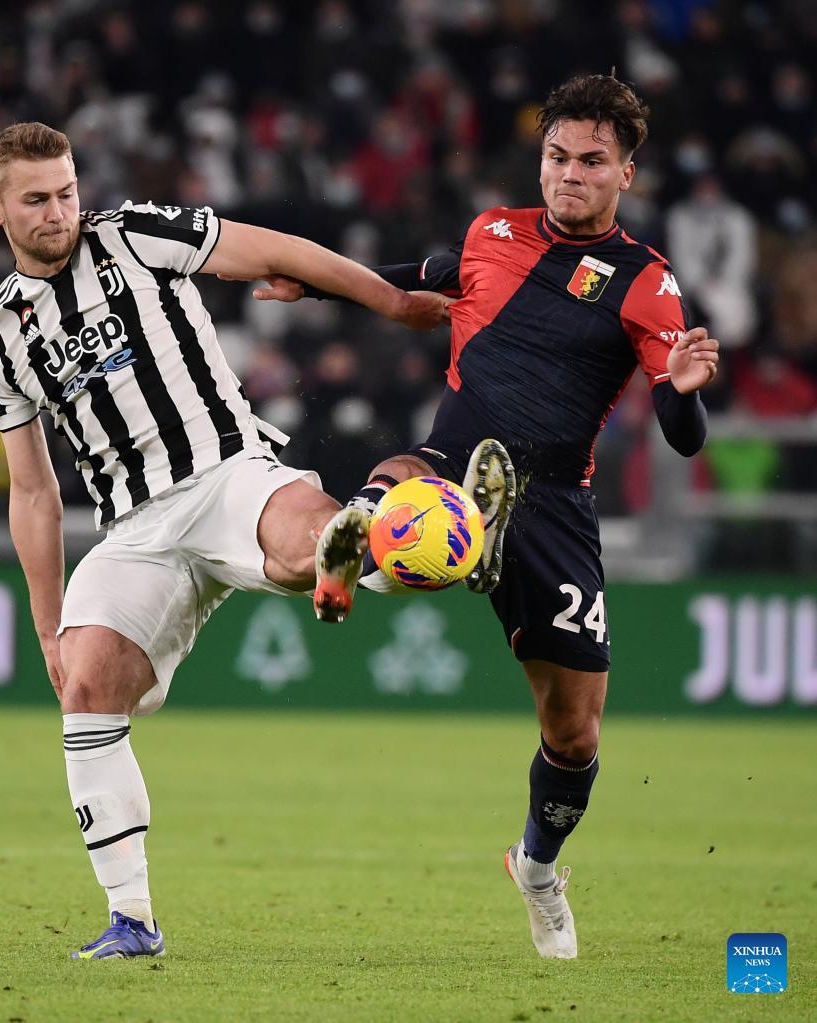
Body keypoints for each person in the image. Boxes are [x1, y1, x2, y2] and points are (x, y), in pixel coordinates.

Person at [246, 74, 720, 959]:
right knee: (408, 479)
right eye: (555, 156)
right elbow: (414, 281)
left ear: (626, 173)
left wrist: (686, 396)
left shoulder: (646, 285)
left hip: (552, 512)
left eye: (590, 162)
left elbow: (683, 437)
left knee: (572, 735)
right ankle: (359, 534)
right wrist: (310, 287)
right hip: (455, 469)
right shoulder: (490, 232)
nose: (567, 174)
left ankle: (536, 867)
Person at [0, 122, 448, 961]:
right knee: (85, 687)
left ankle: (375, 552)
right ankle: (132, 920)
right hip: (133, 530)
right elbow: (34, 490)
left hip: (228, 472)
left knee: (311, 536)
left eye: (68, 191)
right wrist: (46, 626)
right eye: (38, 199)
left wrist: (391, 300)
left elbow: (283, 249)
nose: (59, 211)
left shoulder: (136, 236)